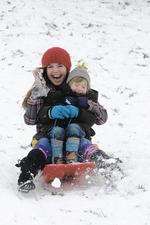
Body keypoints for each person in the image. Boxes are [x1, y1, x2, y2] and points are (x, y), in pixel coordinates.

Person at [16, 47, 109, 192]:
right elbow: (30, 119)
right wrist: (50, 111)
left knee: (86, 146)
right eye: (50, 66)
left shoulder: (80, 86)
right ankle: (26, 175)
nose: (55, 71)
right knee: (42, 147)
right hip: (49, 137)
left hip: (76, 140)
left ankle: (108, 165)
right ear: (45, 69)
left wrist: (80, 111)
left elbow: (101, 118)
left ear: (67, 68)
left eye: (60, 66)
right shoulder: (42, 89)